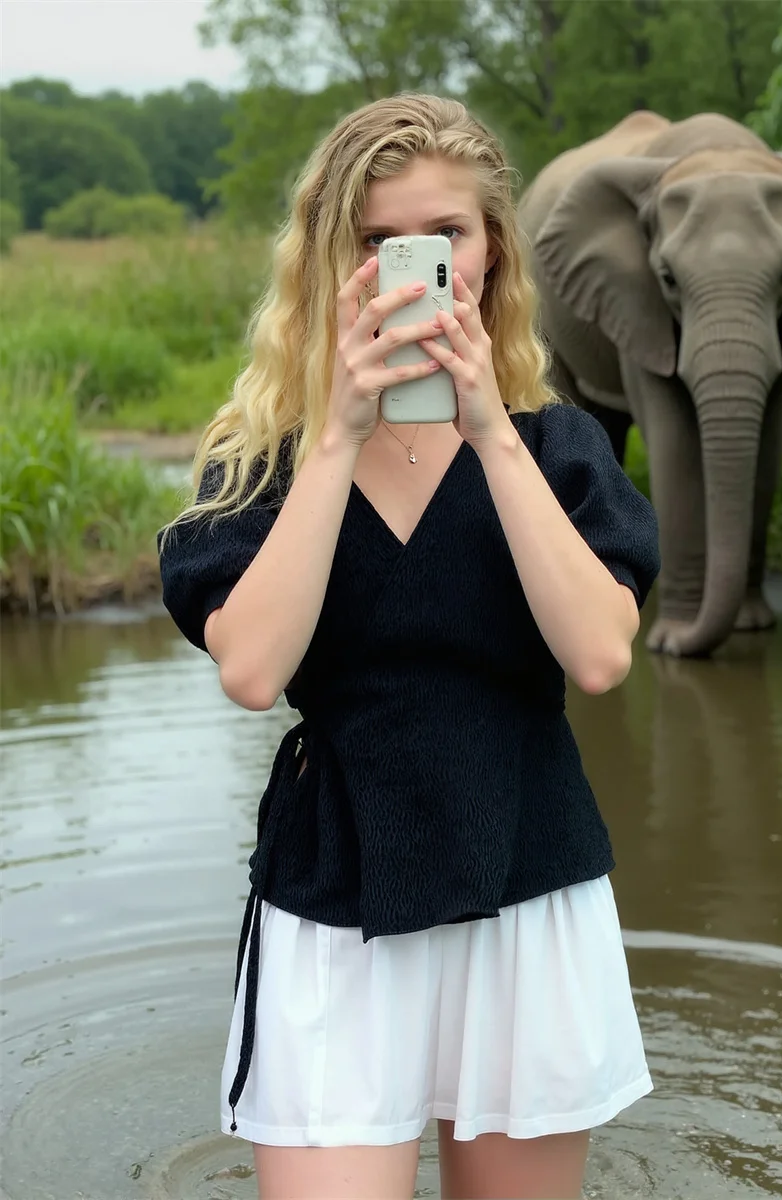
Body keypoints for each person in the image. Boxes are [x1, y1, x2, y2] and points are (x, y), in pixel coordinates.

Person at [158, 92, 660, 1200]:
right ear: (334, 257)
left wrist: (489, 427)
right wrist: (336, 431)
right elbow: (252, 671)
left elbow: (600, 656)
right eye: (377, 240)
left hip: (528, 884)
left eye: (443, 236)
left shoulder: (558, 450)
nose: (410, 263)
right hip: (336, 893)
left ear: (489, 255)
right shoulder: (263, 469)